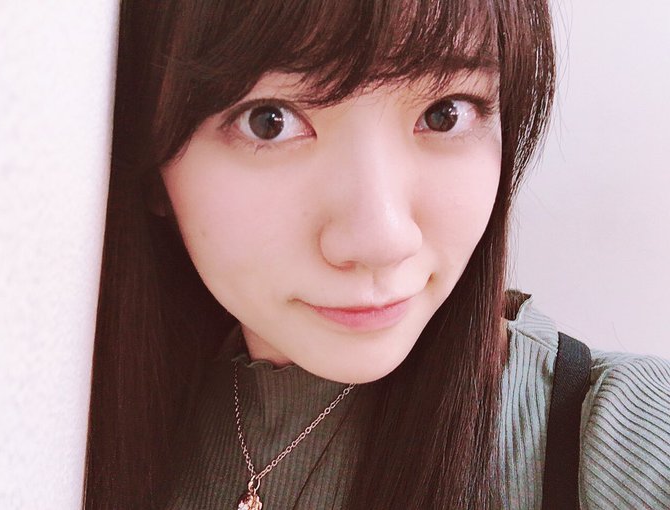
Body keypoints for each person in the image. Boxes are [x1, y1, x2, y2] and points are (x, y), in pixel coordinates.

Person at [83, 1, 670, 509]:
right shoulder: (85, 425)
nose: (382, 240)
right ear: (150, 159)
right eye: (270, 122)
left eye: (445, 113)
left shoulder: (619, 438)